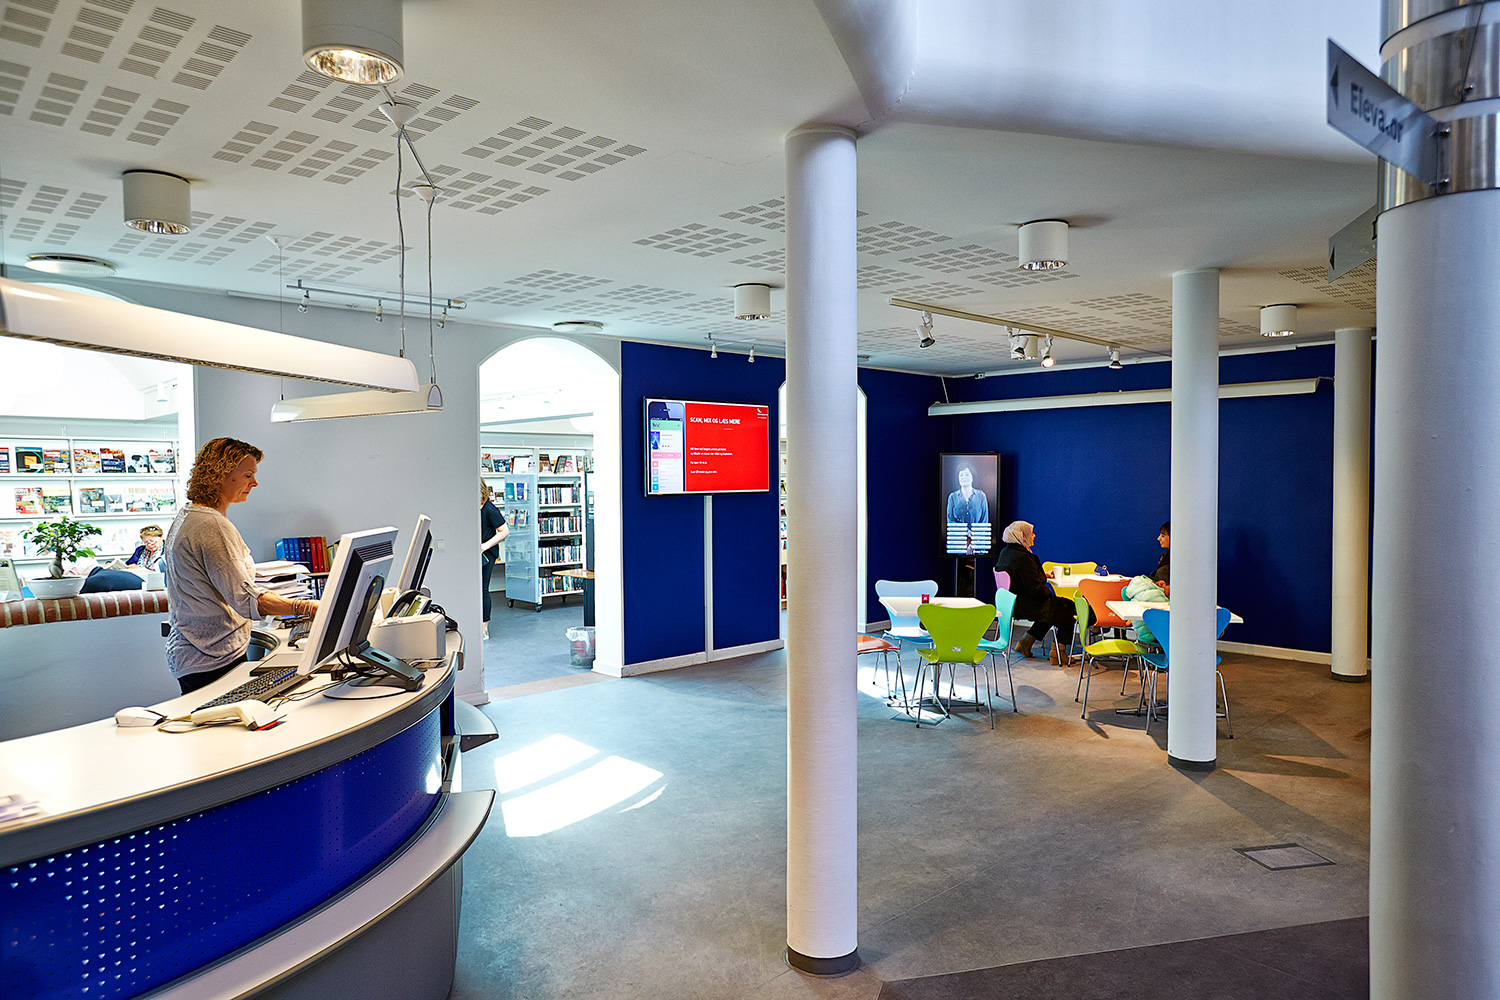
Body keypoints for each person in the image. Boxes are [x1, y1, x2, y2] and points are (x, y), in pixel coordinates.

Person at [164, 438, 319, 694]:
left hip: (195, 653)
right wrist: (309, 608)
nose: (254, 483)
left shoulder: (189, 515)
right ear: (220, 475)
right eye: (248, 475)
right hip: (211, 658)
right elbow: (246, 599)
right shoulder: (212, 526)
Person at [993, 520, 1076, 665]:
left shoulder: (1006, 553)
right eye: (1031, 533)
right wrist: (1049, 594)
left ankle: (1026, 643)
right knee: (1067, 608)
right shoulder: (1024, 557)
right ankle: (1058, 653)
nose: (1034, 536)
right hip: (1026, 605)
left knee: (1054, 609)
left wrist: (1041, 575)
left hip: (1013, 603)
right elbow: (1036, 589)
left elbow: (1020, 577)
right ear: (1022, 536)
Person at [480, 483, 509, 640]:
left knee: (483, 588)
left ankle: (484, 628)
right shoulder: (472, 507)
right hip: (475, 552)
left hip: (487, 554)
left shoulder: (490, 510)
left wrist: (485, 546)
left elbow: (504, 531)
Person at [1151, 521, 1170, 595]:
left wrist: (1170, 589)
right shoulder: (1163, 556)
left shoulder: (1183, 560)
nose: (1158, 538)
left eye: (1163, 536)